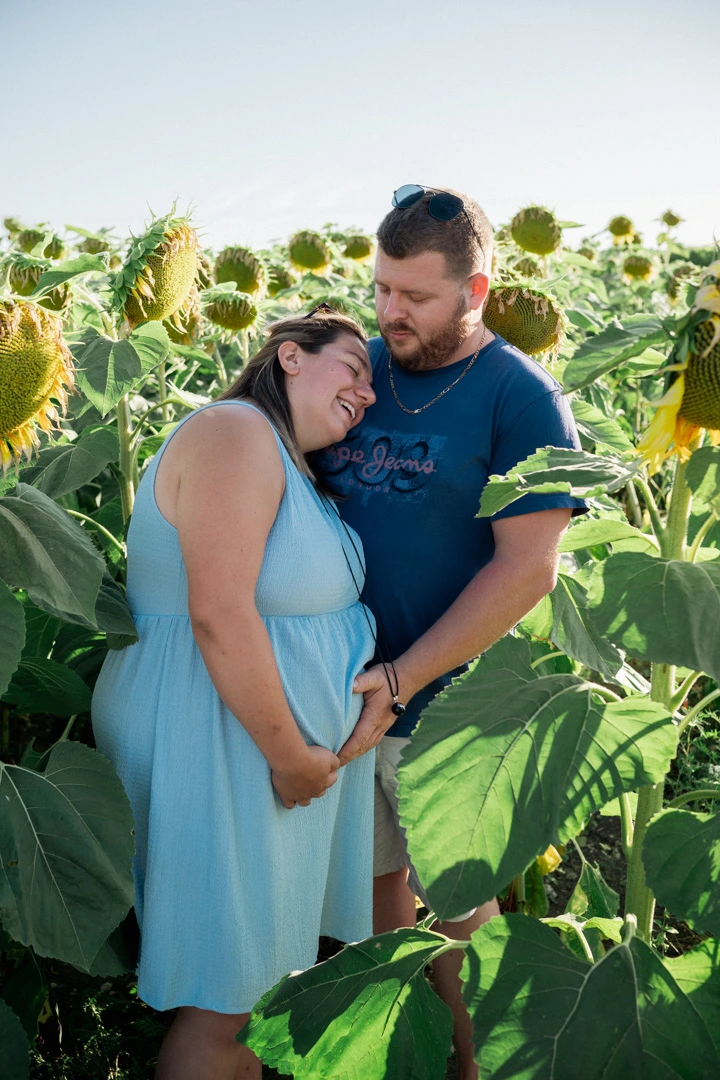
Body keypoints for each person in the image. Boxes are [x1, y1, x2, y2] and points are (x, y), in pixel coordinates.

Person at [315, 185, 587, 1080]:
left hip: (446, 707)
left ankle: (481, 1069)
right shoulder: (360, 370)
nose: (390, 312)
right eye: (383, 287)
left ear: (475, 292)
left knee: (461, 919)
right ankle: (409, 1064)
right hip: (341, 695)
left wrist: (400, 679)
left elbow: (526, 568)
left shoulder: (520, 398)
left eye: (416, 297)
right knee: (377, 908)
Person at [92, 309, 377, 1080]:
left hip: (250, 745)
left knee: (250, 997)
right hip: (221, 738)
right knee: (225, 1002)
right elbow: (218, 612)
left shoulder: (285, 461)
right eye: (352, 367)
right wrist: (290, 757)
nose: (367, 392)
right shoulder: (234, 431)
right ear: (289, 355)